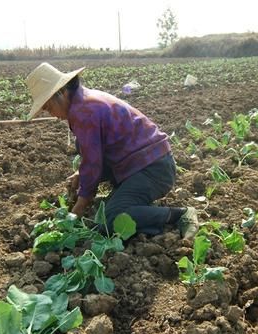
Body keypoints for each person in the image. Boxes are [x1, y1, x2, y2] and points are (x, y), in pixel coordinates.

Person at [24, 62, 199, 239]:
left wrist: (78, 209)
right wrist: (80, 175)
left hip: (153, 168)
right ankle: (126, 199)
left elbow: (93, 163)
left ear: (60, 93)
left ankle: (179, 214)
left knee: (112, 219)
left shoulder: (84, 111)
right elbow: (95, 153)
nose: (51, 114)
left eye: (48, 107)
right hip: (142, 163)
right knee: (83, 151)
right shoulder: (84, 99)